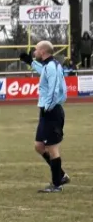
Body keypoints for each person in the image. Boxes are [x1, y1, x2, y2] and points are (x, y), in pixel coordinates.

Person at [19, 41, 70, 192]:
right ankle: (61, 175)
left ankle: (57, 184)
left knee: (52, 148)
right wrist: (30, 62)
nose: (33, 52)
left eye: (35, 50)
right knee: (39, 146)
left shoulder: (53, 66)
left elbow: (54, 89)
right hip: (47, 111)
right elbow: (43, 71)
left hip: (51, 111)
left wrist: (48, 107)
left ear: (42, 51)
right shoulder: (49, 65)